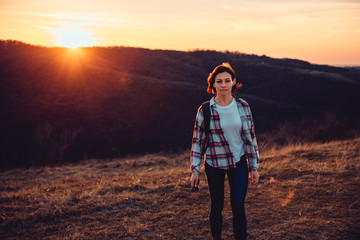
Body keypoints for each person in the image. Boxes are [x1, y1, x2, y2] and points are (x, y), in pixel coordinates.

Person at [190, 62, 260, 240]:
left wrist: (254, 166)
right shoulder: (205, 109)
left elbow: (250, 138)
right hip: (214, 163)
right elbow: (198, 141)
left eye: (227, 81)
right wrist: (194, 170)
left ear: (233, 82)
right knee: (217, 207)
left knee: (238, 204)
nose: (223, 85)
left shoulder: (243, 106)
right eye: (219, 81)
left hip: (238, 162)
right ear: (212, 84)